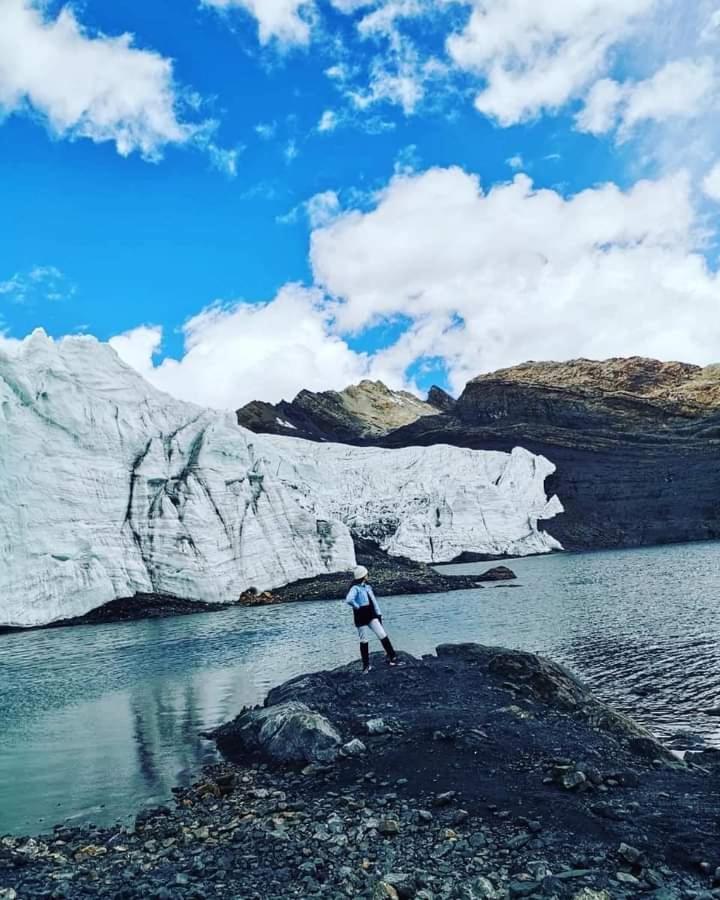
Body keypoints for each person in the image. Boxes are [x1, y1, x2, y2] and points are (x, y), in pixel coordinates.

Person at [345, 565, 400, 673]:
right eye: (366, 574)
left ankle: (392, 658)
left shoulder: (367, 587)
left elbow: (374, 601)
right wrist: (357, 607)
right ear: (363, 576)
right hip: (361, 615)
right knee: (364, 640)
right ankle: (366, 666)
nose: (367, 575)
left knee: (382, 634)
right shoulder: (355, 588)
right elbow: (349, 600)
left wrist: (378, 614)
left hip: (371, 614)